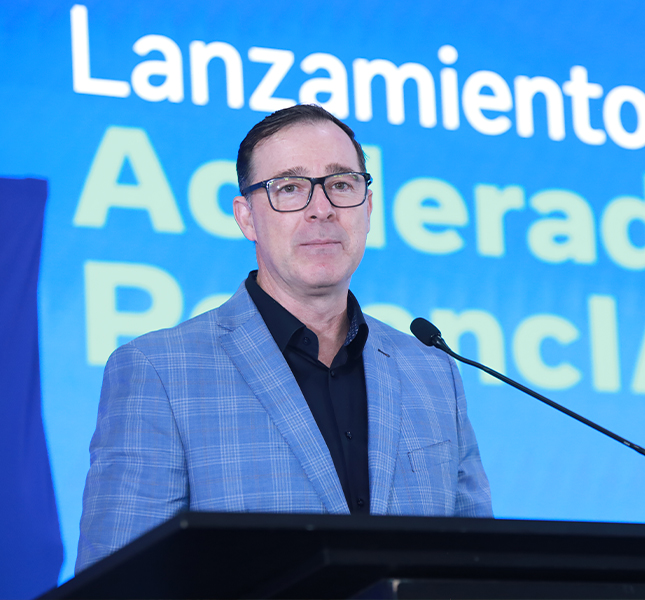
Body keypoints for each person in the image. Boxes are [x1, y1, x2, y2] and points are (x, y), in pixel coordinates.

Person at [75, 105, 492, 572]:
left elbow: (477, 570)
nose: (322, 209)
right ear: (246, 217)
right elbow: (116, 583)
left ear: (368, 208)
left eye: (341, 184)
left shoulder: (432, 371)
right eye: (289, 188)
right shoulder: (159, 372)